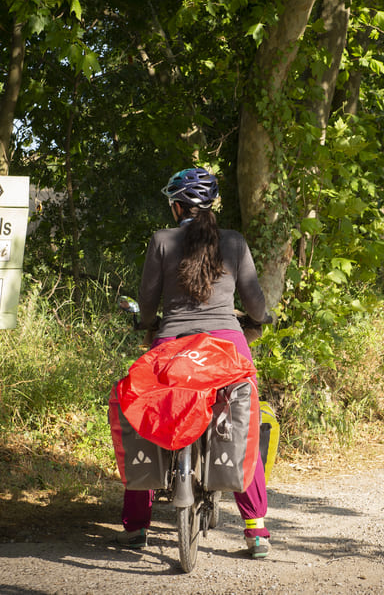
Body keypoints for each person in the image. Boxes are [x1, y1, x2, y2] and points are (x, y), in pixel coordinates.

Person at [120, 167, 273, 558]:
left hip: (173, 345)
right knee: (244, 421)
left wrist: (147, 323)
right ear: (211, 206)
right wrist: (262, 318)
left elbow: (150, 302)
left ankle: (137, 526)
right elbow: (254, 302)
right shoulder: (234, 242)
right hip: (227, 346)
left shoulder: (161, 241)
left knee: (146, 415)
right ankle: (256, 530)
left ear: (176, 207)